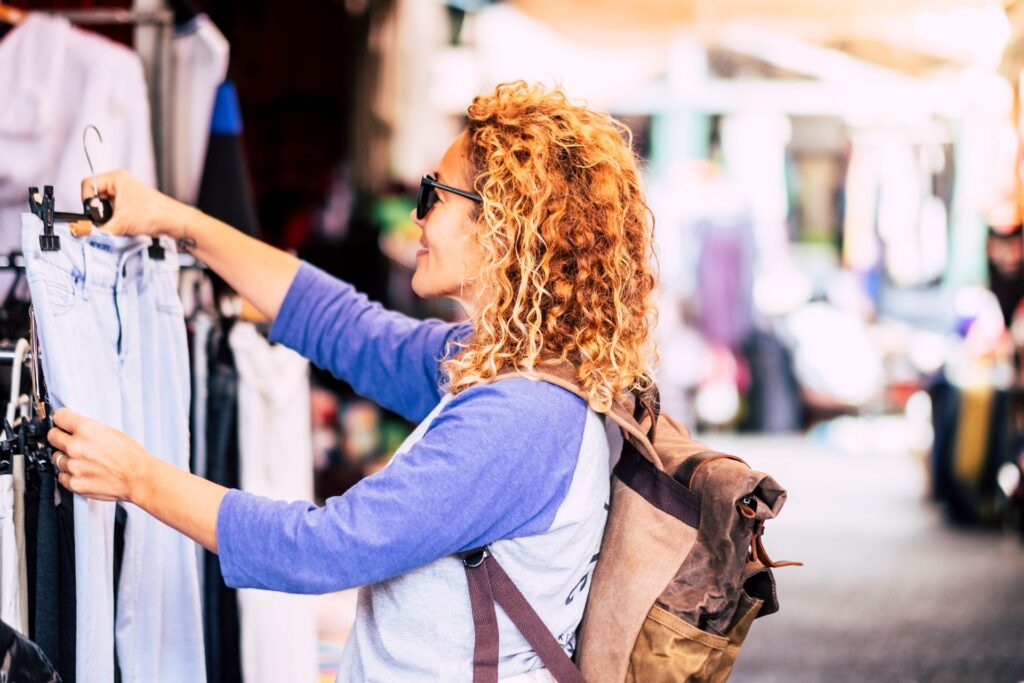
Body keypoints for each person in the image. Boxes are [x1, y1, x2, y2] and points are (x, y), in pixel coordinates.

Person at [46, 81, 657, 681]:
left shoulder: (520, 418)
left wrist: (137, 477)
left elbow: (324, 548)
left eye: (434, 194)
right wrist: (176, 220)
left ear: (501, 225)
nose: (416, 215)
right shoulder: (515, 371)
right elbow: (343, 327)